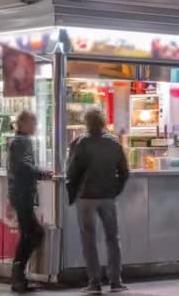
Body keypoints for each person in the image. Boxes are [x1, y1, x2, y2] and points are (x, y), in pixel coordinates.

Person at [67, 108, 130, 294]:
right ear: (103, 121)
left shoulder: (81, 142)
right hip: (108, 197)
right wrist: (114, 190)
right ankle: (116, 281)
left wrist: (73, 194)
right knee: (113, 237)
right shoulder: (114, 142)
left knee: (89, 239)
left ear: (86, 122)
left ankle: (94, 283)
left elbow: (72, 172)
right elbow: (125, 172)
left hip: (86, 197)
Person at [7, 110, 52, 293]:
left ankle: (19, 276)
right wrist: (41, 173)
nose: (35, 126)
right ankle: (18, 276)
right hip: (22, 193)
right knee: (33, 233)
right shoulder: (22, 142)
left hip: (20, 193)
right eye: (33, 122)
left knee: (30, 233)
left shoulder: (19, 141)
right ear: (23, 122)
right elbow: (22, 167)